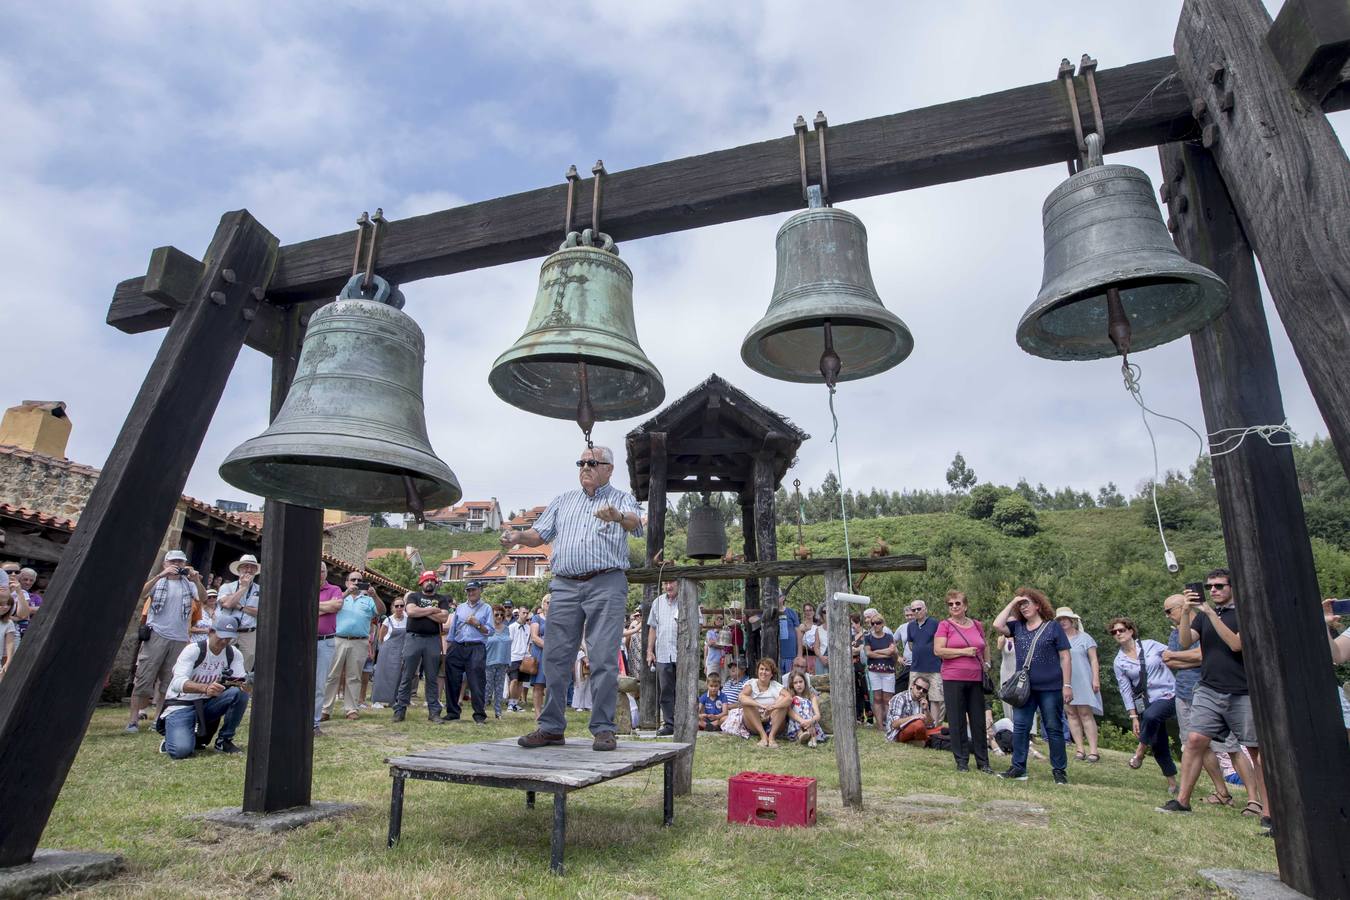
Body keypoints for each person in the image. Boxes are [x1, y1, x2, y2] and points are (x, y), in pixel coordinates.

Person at [510, 445, 643, 752]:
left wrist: (618, 516)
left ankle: (603, 728)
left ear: (608, 469)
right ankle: (551, 727)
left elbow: (637, 524)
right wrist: (519, 537)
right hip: (565, 585)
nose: (585, 466)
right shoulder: (563, 500)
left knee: (602, 658)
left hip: (606, 582)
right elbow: (539, 534)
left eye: (592, 462)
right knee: (556, 657)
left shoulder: (620, 498)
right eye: (581, 462)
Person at [1160, 570, 1269, 827]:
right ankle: (1182, 800)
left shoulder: (1244, 613)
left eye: (1219, 586)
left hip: (1242, 690)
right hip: (1208, 688)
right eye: (1209, 587)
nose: (1214, 590)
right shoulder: (1205, 616)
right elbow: (1185, 642)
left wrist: (1208, 612)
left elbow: (1236, 645)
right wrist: (1186, 612)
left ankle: (1267, 811)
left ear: (1232, 587)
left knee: (1255, 751)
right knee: (1196, 740)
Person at [992, 588, 1072, 784]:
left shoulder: (1052, 627)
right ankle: (1018, 767)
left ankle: (1059, 770)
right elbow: (997, 624)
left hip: (1050, 687)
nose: (1024, 607)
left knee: (1053, 728)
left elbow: (1065, 656)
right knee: (1020, 727)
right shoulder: (1017, 627)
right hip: (1025, 689)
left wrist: (1067, 684)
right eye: (1021, 605)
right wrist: (1013, 602)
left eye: (1027, 603)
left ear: (1038, 605)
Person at [1161, 594, 1233, 806]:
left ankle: (1255, 800)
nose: (1167, 616)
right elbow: (1168, 661)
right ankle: (1222, 792)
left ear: (1183, 606)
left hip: (1209, 691)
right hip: (1183, 692)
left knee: (1230, 747)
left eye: (1169, 611)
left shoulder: (1205, 623)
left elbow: (1204, 655)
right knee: (1195, 745)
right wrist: (1183, 658)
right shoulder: (1176, 633)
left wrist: (1178, 657)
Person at [126, 550, 204, 734]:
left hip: (179, 637)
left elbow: (201, 597)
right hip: (157, 635)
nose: (177, 565)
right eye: (173, 561)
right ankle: (133, 720)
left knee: (168, 682)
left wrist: (197, 580)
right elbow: (142, 593)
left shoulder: (188, 583)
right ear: (165, 563)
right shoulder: (160, 581)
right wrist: (161, 575)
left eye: (181, 562)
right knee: (144, 678)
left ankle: (158, 719)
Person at [156, 614, 249, 758]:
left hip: (208, 704)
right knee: (181, 751)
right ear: (211, 632)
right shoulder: (193, 650)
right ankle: (171, 739)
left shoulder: (234, 654)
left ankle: (224, 740)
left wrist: (248, 683)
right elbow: (177, 683)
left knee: (240, 693)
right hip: (182, 705)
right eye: (221, 636)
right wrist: (205, 688)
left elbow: (240, 682)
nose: (224, 641)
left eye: (228, 638)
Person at [1109, 615, 1178, 794]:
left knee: (1151, 716)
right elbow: (1125, 690)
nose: (1118, 634)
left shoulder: (1150, 645)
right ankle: (1172, 783)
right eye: (1114, 632)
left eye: (1121, 630)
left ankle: (1139, 751)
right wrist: (1133, 716)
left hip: (1168, 694)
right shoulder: (1119, 662)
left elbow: (1174, 654)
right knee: (1158, 742)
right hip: (1145, 701)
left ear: (1131, 631)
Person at [934, 590, 992, 773]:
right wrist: (963, 652)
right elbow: (938, 650)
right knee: (957, 720)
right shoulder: (945, 625)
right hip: (953, 678)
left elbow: (985, 645)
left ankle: (983, 762)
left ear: (965, 606)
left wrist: (987, 663)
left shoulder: (977, 625)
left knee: (978, 720)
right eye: (950, 604)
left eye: (957, 603)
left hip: (975, 678)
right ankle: (962, 761)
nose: (954, 607)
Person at [323, 571, 382, 721]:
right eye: (353, 579)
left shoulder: (368, 600)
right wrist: (346, 593)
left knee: (354, 677)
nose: (356, 582)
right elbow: (332, 605)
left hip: (359, 641)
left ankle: (351, 709)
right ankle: (325, 709)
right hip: (338, 639)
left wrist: (374, 595)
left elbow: (381, 611)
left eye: (359, 580)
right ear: (347, 582)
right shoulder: (340, 596)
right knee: (331, 675)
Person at [393, 571, 449, 723]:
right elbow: (411, 611)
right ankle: (400, 710)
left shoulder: (441, 599)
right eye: (426, 580)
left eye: (432, 580)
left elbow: (444, 617)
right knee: (407, 675)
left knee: (432, 677)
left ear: (436, 582)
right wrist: (432, 610)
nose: (429, 582)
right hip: (414, 638)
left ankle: (434, 712)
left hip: (433, 640)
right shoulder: (414, 596)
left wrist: (422, 612)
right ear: (421, 582)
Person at [1056, 606, 1103, 763]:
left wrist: (1095, 678)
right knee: (1071, 713)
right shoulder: (1057, 639)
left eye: (1065, 619)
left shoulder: (1085, 638)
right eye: (1060, 620)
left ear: (1072, 620)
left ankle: (1093, 750)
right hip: (1065, 680)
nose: (1063, 622)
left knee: (1085, 713)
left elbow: (1094, 659)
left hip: (1083, 678)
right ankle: (1079, 748)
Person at [445, 580, 492, 724]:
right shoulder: (460, 607)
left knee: (476, 681)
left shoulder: (487, 608)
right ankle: (453, 712)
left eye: (473, 590)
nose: (471, 593)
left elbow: (489, 631)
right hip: (457, 645)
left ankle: (479, 715)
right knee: (452, 679)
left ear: (479, 590)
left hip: (476, 647)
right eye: (468, 590)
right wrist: (449, 644)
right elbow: (453, 628)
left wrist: (477, 624)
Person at [724, 658, 788, 747]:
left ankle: (772, 736)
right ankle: (763, 736)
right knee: (747, 703)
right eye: (761, 669)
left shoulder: (776, 686)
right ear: (758, 671)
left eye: (767, 670)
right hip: (755, 721)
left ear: (772, 673)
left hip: (772, 719)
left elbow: (789, 698)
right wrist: (760, 705)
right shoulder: (752, 683)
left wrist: (773, 707)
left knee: (783, 701)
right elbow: (741, 697)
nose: (763, 672)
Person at [314, 563, 344, 733]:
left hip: (325, 642)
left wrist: (312, 605)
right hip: (305, 641)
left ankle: (314, 724)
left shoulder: (335, 590)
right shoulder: (305, 586)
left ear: (326, 573)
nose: (320, 573)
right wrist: (325, 606)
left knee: (319, 685)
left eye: (323, 570)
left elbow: (335, 607)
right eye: (318, 569)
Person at [217, 554, 261, 672]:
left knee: (244, 668)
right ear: (239, 569)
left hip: (248, 633)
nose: (249, 570)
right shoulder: (227, 587)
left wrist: (240, 607)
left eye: (252, 567)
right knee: (221, 664)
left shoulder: (260, 590)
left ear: (256, 571)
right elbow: (227, 604)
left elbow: (262, 613)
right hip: (227, 631)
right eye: (246, 567)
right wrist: (243, 588)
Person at [647, 580, 680, 736]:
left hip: (682, 654)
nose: (668, 587)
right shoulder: (657, 602)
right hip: (662, 653)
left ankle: (686, 721)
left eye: (671, 583)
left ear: (678, 583)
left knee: (684, 690)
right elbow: (653, 627)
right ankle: (669, 724)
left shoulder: (687, 600)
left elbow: (698, 624)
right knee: (666, 690)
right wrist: (649, 650)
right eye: (665, 583)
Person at [905, 600, 944, 725]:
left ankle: (934, 726)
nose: (916, 611)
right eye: (914, 609)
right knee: (913, 696)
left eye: (919, 608)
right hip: (916, 667)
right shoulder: (910, 626)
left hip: (934, 667)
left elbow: (941, 641)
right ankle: (913, 723)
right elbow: (911, 644)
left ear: (925, 609)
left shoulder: (934, 623)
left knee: (935, 698)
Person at [371, 594, 410, 708]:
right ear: (392, 607)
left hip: (402, 650)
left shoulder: (408, 620)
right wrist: (383, 649)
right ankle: (378, 700)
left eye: (401, 606)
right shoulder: (388, 620)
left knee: (398, 675)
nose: (399, 608)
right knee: (382, 675)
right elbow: (381, 638)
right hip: (387, 650)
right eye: (396, 606)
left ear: (404, 607)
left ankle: (394, 700)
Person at [862, 615, 899, 723]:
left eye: (878, 623)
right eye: (873, 623)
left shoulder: (888, 636)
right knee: (877, 698)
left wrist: (876, 651)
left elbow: (891, 651)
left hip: (888, 671)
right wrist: (884, 652)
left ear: (882, 624)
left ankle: (888, 722)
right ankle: (879, 724)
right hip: (873, 672)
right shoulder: (868, 637)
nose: (875, 625)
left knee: (888, 699)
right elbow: (868, 653)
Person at [885, 675, 936, 744]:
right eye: (918, 687)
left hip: (917, 731)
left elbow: (931, 725)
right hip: (898, 733)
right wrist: (914, 717)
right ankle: (924, 741)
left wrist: (926, 710)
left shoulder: (923, 701)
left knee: (941, 729)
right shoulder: (900, 698)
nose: (921, 691)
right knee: (919, 724)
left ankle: (919, 741)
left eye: (924, 690)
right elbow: (894, 724)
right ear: (912, 686)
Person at [784, 670, 826, 747]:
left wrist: (810, 721)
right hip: (797, 724)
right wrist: (803, 721)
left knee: (805, 703)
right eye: (795, 683)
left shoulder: (811, 696)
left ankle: (810, 736)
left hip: (810, 723)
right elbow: (789, 712)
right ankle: (802, 735)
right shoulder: (790, 697)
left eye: (800, 682)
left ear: (805, 682)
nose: (798, 685)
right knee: (796, 699)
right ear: (792, 685)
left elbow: (817, 715)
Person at [484, 604, 512, 718]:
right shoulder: (487, 628)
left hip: (503, 662)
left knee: (499, 689)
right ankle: (482, 710)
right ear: (492, 615)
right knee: (487, 688)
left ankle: (498, 712)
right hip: (489, 663)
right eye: (496, 614)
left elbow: (508, 646)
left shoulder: (507, 629)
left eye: (501, 614)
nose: (499, 617)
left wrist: (508, 661)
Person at [527, 595, 550, 719]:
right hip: (540, 653)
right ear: (543, 604)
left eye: (552, 602)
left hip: (553, 655)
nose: (550, 604)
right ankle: (537, 713)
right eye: (547, 602)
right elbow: (534, 637)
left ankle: (550, 713)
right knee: (539, 685)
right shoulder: (536, 618)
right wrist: (549, 647)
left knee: (552, 685)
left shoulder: (557, 618)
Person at [508, 606, 533, 712]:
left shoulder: (529, 628)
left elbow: (530, 644)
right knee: (513, 680)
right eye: (524, 613)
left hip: (525, 658)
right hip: (513, 657)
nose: (525, 615)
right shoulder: (512, 627)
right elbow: (509, 643)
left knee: (520, 682)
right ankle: (510, 703)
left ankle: (515, 703)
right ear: (519, 613)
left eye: (527, 613)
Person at [776, 594, 801, 677]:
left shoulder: (791, 612)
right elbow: (752, 619)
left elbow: (798, 633)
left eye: (778, 596)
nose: (776, 598)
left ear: (783, 598)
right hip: (776, 656)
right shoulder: (769, 613)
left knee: (790, 680)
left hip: (791, 655)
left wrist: (799, 655)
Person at [0, 586, 16, 677]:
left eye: (9, 604)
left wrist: (9, 661)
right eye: (1, 604)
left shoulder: (8, 623)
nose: (6, 607)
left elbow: (10, 643)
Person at [797, 602, 817, 673]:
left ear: (814, 612)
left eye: (810, 610)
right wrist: (799, 660)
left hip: (817, 657)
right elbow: (799, 646)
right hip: (806, 657)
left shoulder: (817, 626)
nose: (808, 612)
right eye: (806, 610)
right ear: (804, 613)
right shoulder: (801, 627)